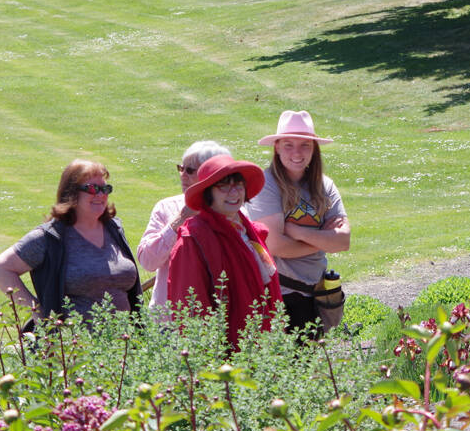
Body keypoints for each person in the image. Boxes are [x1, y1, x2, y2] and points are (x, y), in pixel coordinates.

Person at [0, 159, 142, 326]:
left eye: (105, 189)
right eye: (92, 188)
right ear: (72, 193)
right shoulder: (50, 237)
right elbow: (1, 269)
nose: (101, 194)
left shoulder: (114, 229)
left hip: (122, 344)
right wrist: (38, 313)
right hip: (73, 347)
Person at [246, 110, 350, 334]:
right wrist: (324, 239)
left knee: (311, 366)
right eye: (288, 145)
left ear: (314, 149)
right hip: (280, 295)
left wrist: (296, 231)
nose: (297, 152)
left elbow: (343, 241)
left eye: (305, 145)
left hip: (317, 294)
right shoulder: (265, 185)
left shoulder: (325, 186)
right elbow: (275, 245)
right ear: (276, 147)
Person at [167, 154, 283, 348]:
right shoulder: (193, 239)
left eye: (238, 184)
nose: (233, 192)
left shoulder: (247, 231)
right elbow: (191, 310)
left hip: (261, 348)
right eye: (223, 185)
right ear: (207, 192)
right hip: (226, 358)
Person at [137, 140, 231, 317]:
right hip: (168, 323)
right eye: (181, 168)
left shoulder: (236, 212)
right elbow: (147, 261)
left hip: (221, 320)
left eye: (190, 170)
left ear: (212, 174)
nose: (182, 175)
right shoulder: (166, 208)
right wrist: (179, 220)